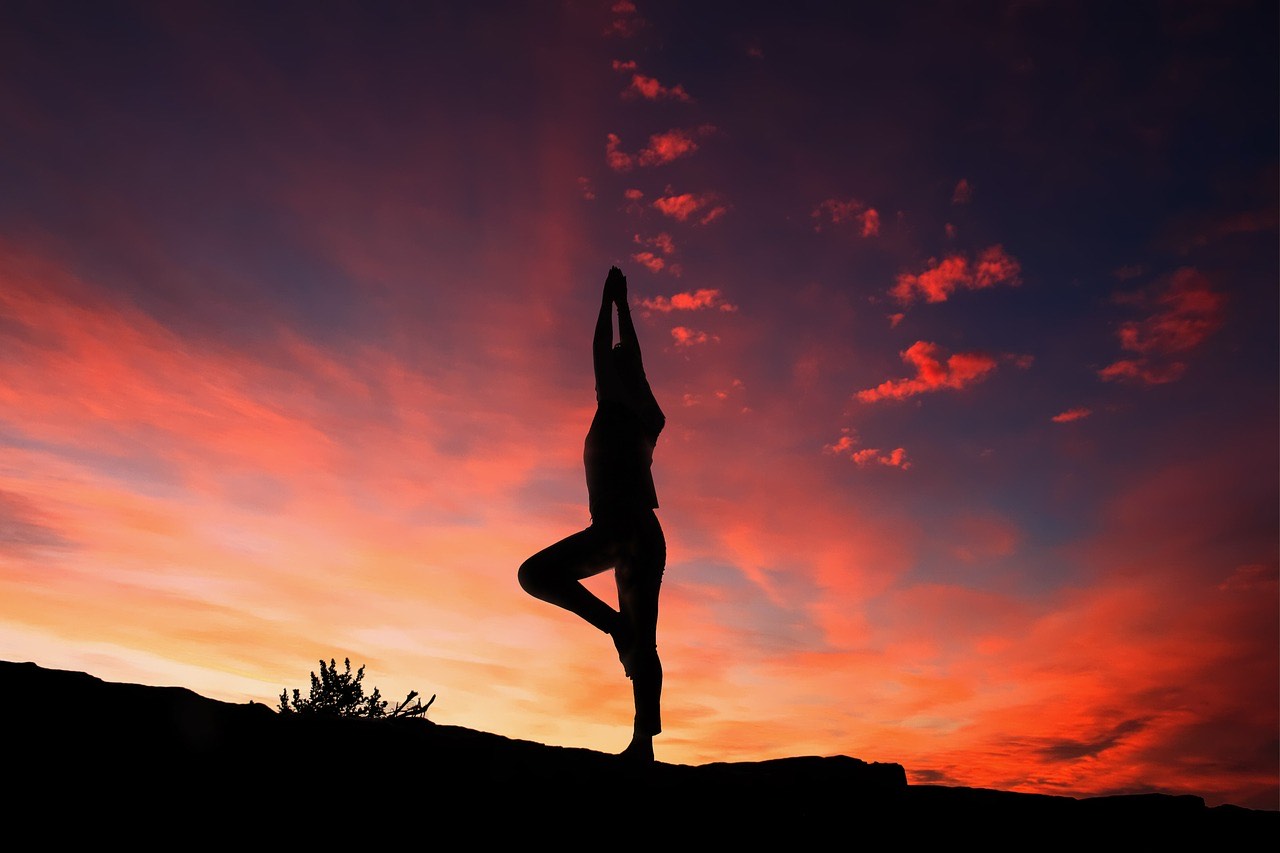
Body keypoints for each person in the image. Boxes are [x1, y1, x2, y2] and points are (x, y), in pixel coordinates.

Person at [518, 265, 667, 763]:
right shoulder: (646, 414)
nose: (607, 365)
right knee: (641, 636)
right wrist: (621, 308)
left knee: (536, 574)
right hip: (640, 532)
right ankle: (642, 744)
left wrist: (612, 305)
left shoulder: (622, 405)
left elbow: (609, 351)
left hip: (623, 528)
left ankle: (616, 632)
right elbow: (627, 359)